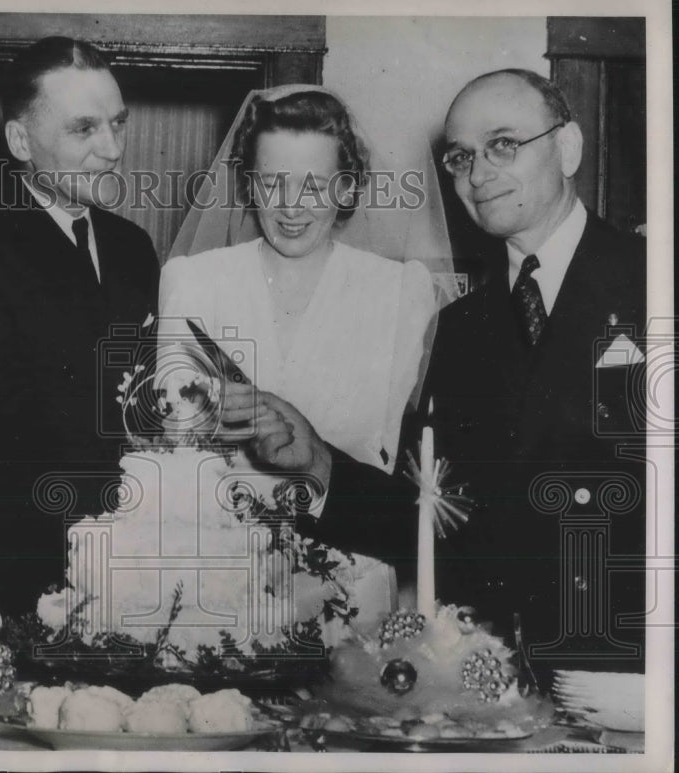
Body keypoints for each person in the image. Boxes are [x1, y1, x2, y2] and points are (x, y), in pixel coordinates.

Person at [160, 86, 452, 580]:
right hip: (221, 572)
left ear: (347, 187)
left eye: (314, 185)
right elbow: (172, 446)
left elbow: (408, 468)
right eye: (273, 182)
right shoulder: (194, 281)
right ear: (249, 183)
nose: (291, 207)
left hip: (355, 567)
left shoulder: (403, 292)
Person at [0, 37, 159, 614]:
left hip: (126, 567)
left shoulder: (133, 249)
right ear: (21, 141)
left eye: (118, 124)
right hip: (6, 577)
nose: (112, 149)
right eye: (84, 129)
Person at [426, 69, 646, 680]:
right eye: (461, 156)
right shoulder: (459, 327)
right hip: (500, 677)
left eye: (503, 144)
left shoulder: (656, 281)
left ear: (568, 147)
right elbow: (449, 513)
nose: (478, 173)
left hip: (637, 671)